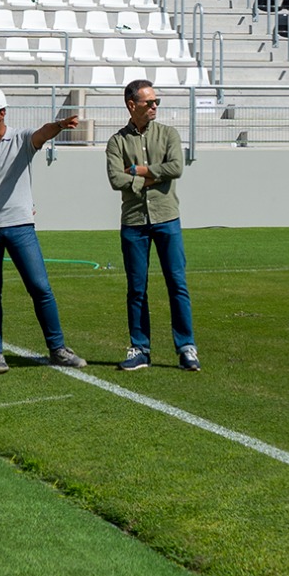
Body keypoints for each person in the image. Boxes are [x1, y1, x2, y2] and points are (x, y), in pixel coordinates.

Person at [0, 84, 87, 374]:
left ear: (2, 114)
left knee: (40, 287)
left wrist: (60, 125)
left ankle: (58, 349)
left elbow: (41, 133)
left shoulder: (21, 139)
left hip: (20, 226)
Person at [104, 79, 199, 372]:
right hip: (134, 222)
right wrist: (151, 178)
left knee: (177, 284)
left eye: (156, 101)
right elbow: (115, 180)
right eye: (149, 102)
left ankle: (186, 348)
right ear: (132, 105)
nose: (155, 106)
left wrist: (141, 171)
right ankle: (139, 348)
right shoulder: (117, 141)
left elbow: (177, 168)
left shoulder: (168, 133)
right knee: (137, 288)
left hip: (167, 218)